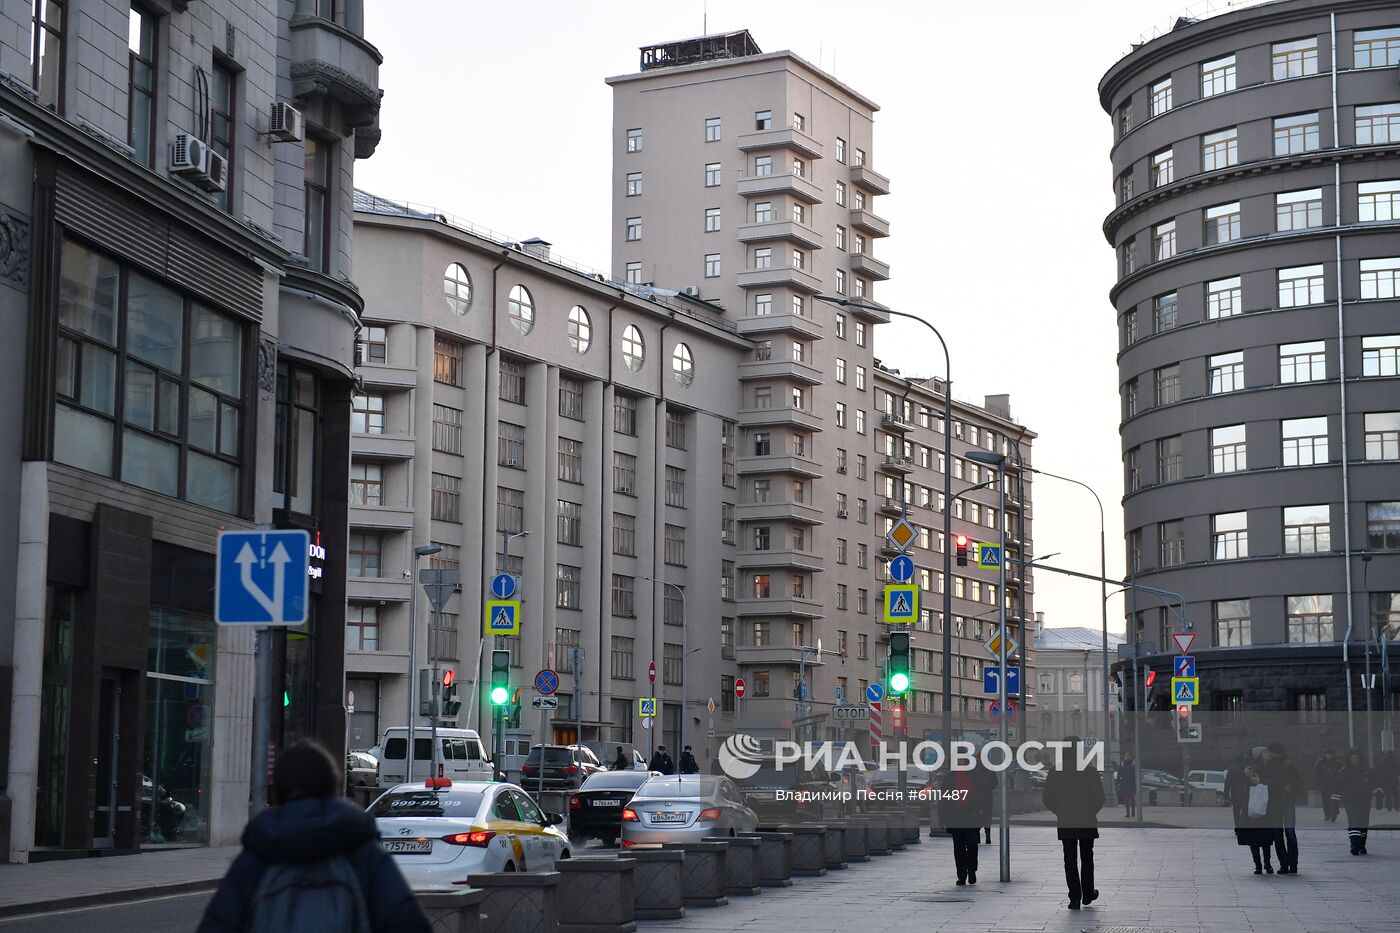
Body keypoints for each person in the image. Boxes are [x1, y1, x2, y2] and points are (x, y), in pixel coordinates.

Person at [198, 739, 429, 933]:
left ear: (277, 792)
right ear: (333, 788)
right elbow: (405, 921)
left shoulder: (256, 858)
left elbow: (218, 924)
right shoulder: (363, 854)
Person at [1041, 736, 1105, 911]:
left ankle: (1074, 898)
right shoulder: (1089, 771)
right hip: (1086, 820)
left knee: (1069, 859)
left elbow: (1047, 798)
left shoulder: (1056, 771)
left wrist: (1060, 811)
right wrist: (1091, 811)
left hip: (1066, 820)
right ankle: (1088, 893)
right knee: (1087, 857)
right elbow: (1100, 797)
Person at [939, 760, 996, 886]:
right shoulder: (950, 776)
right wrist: (942, 817)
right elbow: (944, 798)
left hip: (972, 817)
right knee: (958, 848)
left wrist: (983, 812)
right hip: (955, 817)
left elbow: (985, 795)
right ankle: (961, 875)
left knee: (972, 845)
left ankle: (971, 870)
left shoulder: (976, 775)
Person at [1257, 741, 1303, 874]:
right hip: (1274, 803)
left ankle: (1293, 863)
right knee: (1277, 834)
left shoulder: (1288, 763)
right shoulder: (1267, 764)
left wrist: (1267, 782)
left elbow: (1280, 779)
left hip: (1287, 801)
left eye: (1269, 751)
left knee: (1290, 833)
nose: (1267, 753)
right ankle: (1284, 864)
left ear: (1275, 752)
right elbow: (1261, 775)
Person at [1233, 766, 1274, 874]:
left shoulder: (1245, 787)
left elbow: (1238, 799)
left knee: (1254, 844)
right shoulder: (1263, 788)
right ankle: (1267, 864)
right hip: (1263, 819)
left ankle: (1259, 866)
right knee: (1265, 844)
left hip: (1250, 820)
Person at [1336, 749, 1377, 855]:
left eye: (1357, 758)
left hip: (1364, 801)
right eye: (1353, 758)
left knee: (1363, 823)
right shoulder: (1344, 772)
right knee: (1353, 821)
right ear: (1349, 759)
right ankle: (1354, 845)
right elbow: (1337, 787)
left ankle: (1362, 845)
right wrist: (1334, 804)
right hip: (1350, 801)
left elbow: (1375, 784)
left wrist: (1379, 795)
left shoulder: (1367, 771)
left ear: (1360, 759)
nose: (1355, 760)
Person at [1314, 750, 1341, 822]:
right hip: (1324, 785)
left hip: (1334, 785)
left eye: (1331, 755)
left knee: (1334, 800)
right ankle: (1327, 814)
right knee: (1325, 800)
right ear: (1326, 755)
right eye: (1328, 754)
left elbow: (1340, 773)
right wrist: (1318, 781)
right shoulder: (1320, 762)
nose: (1329, 756)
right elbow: (1316, 772)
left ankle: (1334, 814)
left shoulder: (1337, 763)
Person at [1116, 754, 1137, 818]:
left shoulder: (1133, 763)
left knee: (1131, 798)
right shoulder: (1122, 763)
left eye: (1128, 756)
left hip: (1131, 783)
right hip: (1124, 783)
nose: (1127, 757)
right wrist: (1118, 782)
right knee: (1125, 799)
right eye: (1126, 756)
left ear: (1130, 757)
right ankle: (1127, 812)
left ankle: (1133, 810)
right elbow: (1119, 773)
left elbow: (1136, 773)